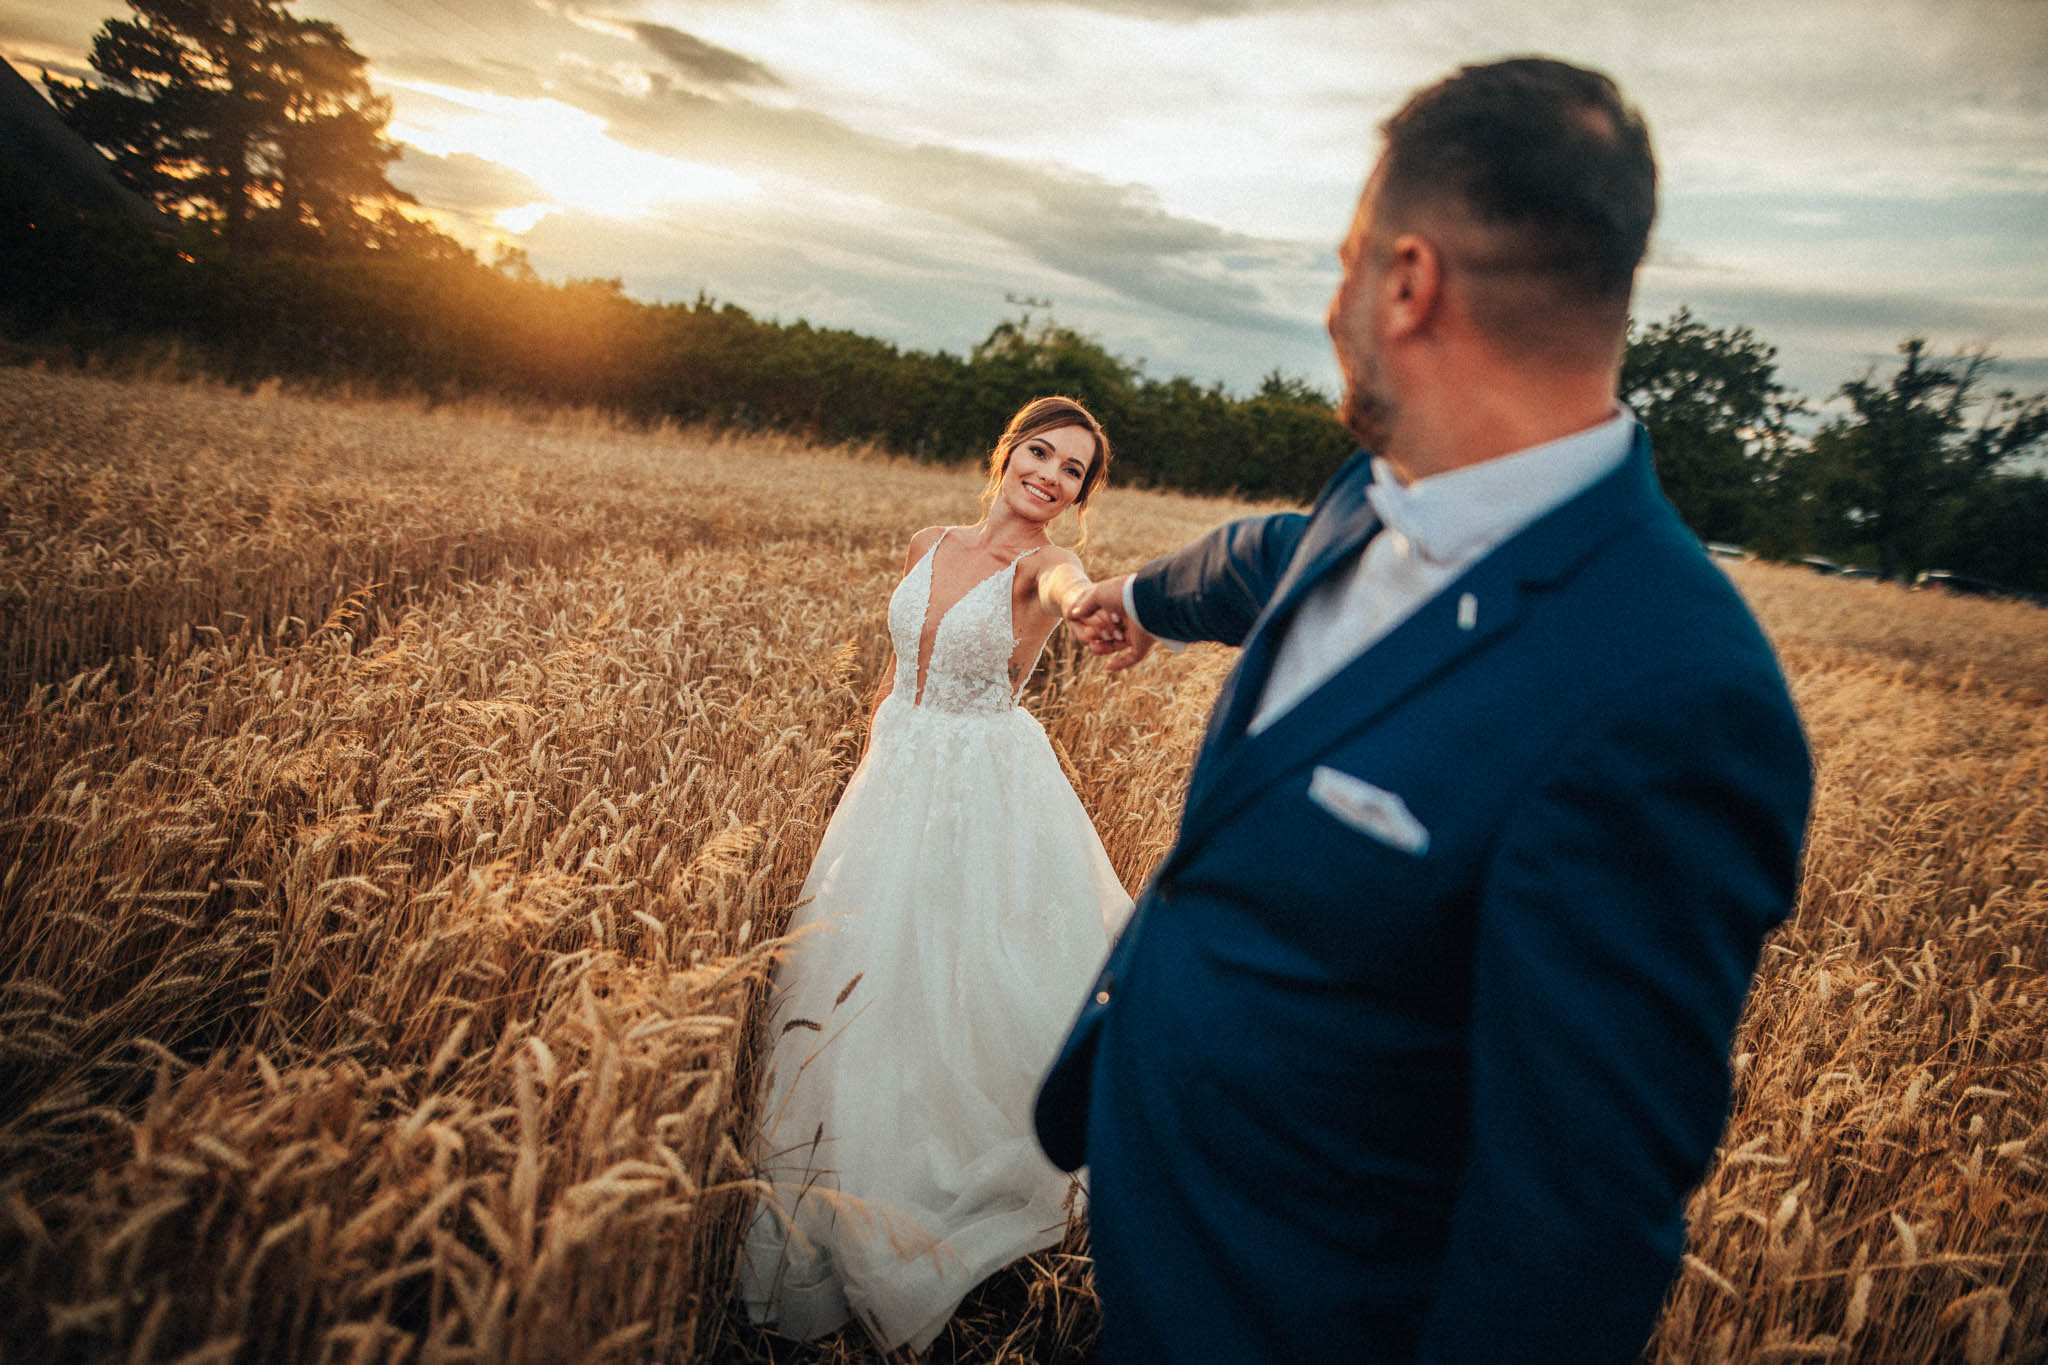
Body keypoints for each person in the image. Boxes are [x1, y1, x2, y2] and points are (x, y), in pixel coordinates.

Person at [1035, 57, 1813, 1362]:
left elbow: (1570, 1241)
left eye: (1346, 265)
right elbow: (1270, 558)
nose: (1333, 306)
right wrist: (1138, 594)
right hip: (1160, 1266)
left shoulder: (1675, 697)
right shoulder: (1379, 490)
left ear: (1408, 283)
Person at [739, 396, 1134, 1354]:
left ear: (1079, 495)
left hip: (980, 788)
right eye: (1039, 450)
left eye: (1072, 470)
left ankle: (983, 1176)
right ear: (1006, 451)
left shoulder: (1042, 566)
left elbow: (1073, 589)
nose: (1049, 474)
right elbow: (892, 671)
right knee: (861, 979)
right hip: (894, 776)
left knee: (969, 979)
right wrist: (864, 765)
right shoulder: (930, 538)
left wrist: (1092, 607)